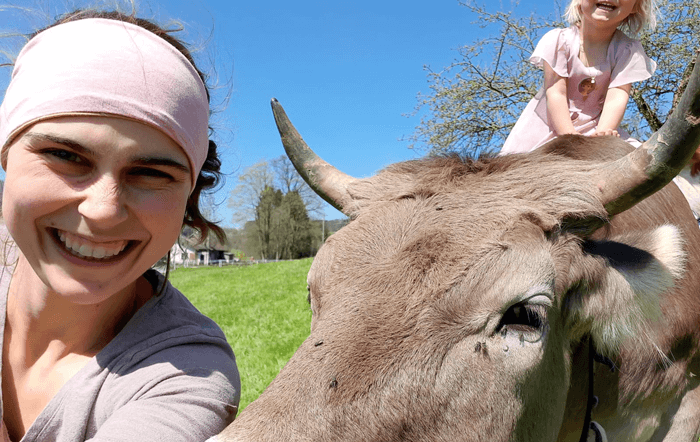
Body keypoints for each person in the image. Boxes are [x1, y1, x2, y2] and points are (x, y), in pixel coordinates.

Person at [0, 8, 240, 442]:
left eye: (151, 174)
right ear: (6, 151)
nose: (104, 210)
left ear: (189, 198)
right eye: (66, 155)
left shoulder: (188, 377)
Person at [498, 0, 657, 155]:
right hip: (552, 126)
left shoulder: (628, 50)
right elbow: (555, 93)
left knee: (646, 163)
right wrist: (569, 137)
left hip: (595, 127)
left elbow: (618, 95)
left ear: (636, 5)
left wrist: (602, 136)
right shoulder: (559, 41)